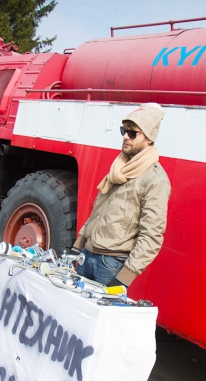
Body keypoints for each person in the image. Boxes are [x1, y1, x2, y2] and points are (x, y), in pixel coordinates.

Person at [72, 103, 171, 288]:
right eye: (124, 131)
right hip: (87, 256)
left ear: (149, 138)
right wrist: (76, 248)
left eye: (133, 133)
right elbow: (98, 212)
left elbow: (152, 235)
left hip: (110, 266)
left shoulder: (156, 179)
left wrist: (123, 278)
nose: (125, 136)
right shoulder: (120, 166)